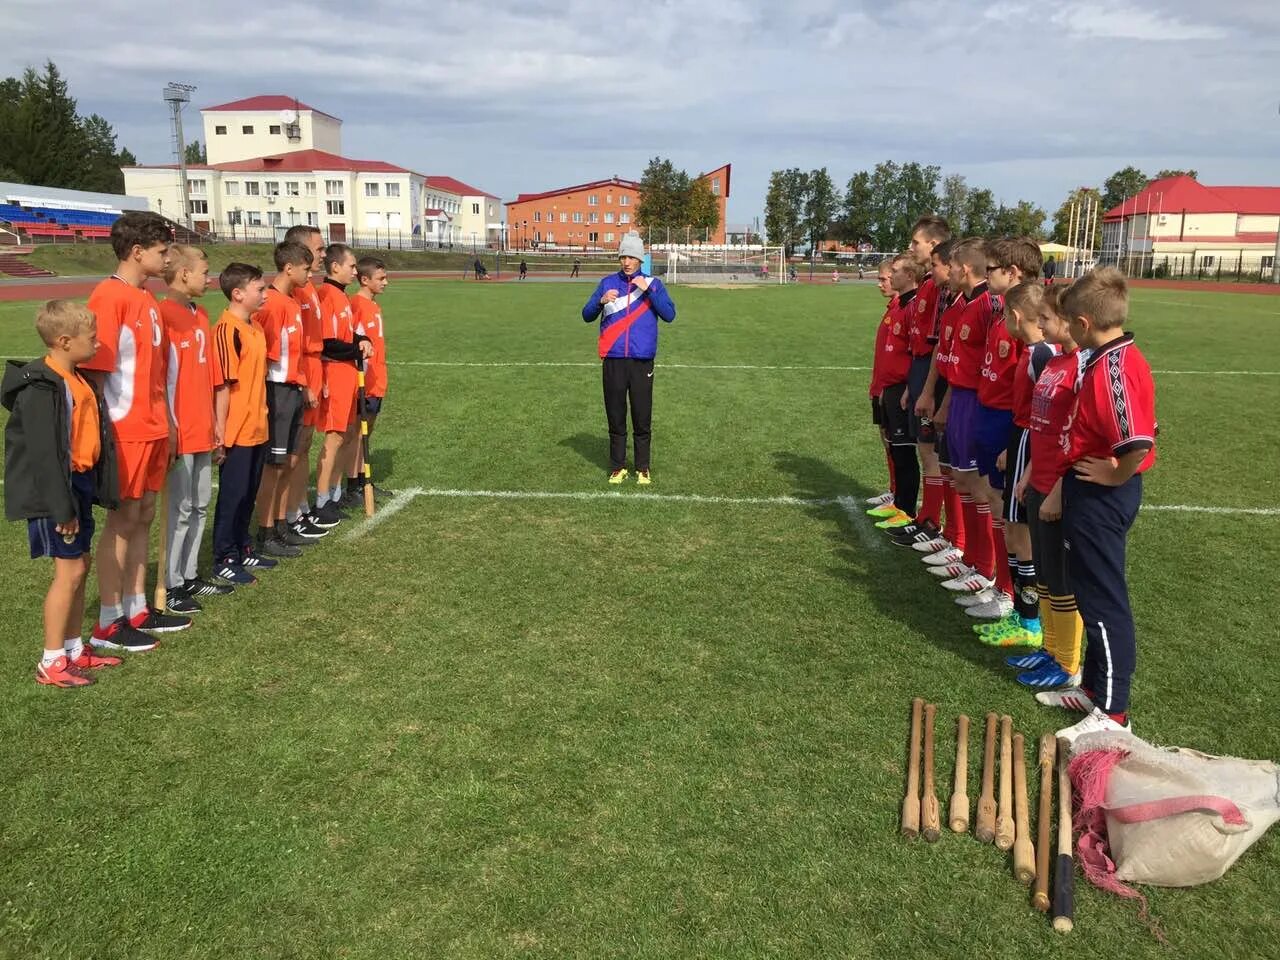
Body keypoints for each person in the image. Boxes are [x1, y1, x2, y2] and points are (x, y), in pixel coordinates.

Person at [1050, 268, 1157, 743]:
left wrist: (1114, 473)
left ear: (1084, 323)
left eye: (1068, 322)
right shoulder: (1104, 358)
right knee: (1088, 589)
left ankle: (1114, 713)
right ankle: (1093, 688)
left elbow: (1136, 439)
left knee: (1103, 598)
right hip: (1085, 487)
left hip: (1103, 494)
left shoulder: (1114, 366)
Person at [82, 211, 189, 651]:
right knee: (122, 522)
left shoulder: (145, 298)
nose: (167, 259)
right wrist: (98, 436)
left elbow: (159, 374)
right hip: (124, 431)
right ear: (137, 251)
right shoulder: (109, 297)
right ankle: (109, 621)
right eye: (162, 251)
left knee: (143, 515)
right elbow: (96, 375)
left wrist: (170, 423)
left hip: (153, 427)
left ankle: (137, 605)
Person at [3, 301, 123, 685]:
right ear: (64, 341)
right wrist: (61, 508)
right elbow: (44, 454)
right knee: (68, 572)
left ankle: (73, 649)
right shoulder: (42, 387)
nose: (98, 343)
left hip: (78, 485)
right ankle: (51, 660)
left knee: (80, 566)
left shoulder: (76, 378)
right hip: (55, 491)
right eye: (92, 338)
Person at [1010, 284, 1087, 692]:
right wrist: (1027, 476)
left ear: (1071, 322)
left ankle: (1068, 663)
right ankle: (1050, 649)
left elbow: (1076, 438)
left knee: (1060, 578)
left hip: (1059, 488)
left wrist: (1057, 485)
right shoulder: (1056, 364)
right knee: (1043, 572)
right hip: (1037, 480)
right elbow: (1043, 428)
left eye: (1047, 319)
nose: (1040, 325)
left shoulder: (1079, 369)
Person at [972, 279, 1056, 647]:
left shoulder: (1041, 355)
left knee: (1021, 536)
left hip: (1027, 441)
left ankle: (1029, 623)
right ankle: (1023, 616)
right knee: (1012, 530)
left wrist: (1028, 459)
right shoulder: (1031, 351)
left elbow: (1046, 415)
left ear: (1016, 316)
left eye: (1004, 314)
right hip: (1018, 439)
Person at [963, 237, 1041, 622]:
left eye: (992, 268)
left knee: (1010, 513)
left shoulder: (1030, 328)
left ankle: (1011, 594)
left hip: (1010, 423)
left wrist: (1016, 436)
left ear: (1013, 273)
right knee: (997, 504)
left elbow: (1029, 391)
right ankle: (999, 584)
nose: (986, 273)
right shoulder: (999, 313)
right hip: (989, 414)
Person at [158, 245, 232, 613]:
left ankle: (188, 576)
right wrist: (170, 427)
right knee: (181, 508)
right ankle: (169, 583)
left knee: (201, 504)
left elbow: (211, 378)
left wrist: (217, 426)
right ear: (184, 273)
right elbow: (160, 381)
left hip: (203, 428)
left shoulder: (200, 313)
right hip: (180, 430)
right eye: (204, 271)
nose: (209, 278)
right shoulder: (163, 315)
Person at [581, 232, 676, 484]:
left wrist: (649, 291)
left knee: (642, 415)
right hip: (613, 359)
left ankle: (642, 467)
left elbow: (669, 315)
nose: (627, 261)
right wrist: (600, 301)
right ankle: (617, 466)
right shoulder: (607, 283)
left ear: (640, 259)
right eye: (623, 256)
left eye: (632, 257)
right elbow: (586, 315)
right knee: (615, 414)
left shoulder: (653, 283)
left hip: (642, 360)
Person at [890, 216, 952, 549]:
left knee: (934, 453)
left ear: (933, 244)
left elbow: (942, 340)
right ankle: (926, 519)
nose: (912, 247)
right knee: (927, 450)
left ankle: (931, 521)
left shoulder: (941, 286)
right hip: (921, 368)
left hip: (932, 370)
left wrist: (926, 387)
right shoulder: (930, 282)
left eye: (916, 242)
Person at [210, 263, 271, 586]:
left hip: (257, 425)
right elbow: (221, 385)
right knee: (232, 495)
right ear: (238, 293)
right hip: (236, 429)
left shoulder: (256, 328)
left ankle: (243, 546)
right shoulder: (226, 330)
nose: (265, 294)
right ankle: (224, 556)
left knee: (249, 492)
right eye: (259, 289)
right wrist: (219, 434)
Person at [252, 241, 313, 559]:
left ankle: (279, 526)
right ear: (289, 267)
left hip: (292, 388)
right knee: (274, 466)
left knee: (288, 461)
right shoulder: (271, 303)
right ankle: (265, 532)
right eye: (305, 268)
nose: (309, 273)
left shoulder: (290, 302)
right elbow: (258, 351)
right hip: (275, 390)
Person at [312, 244, 372, 523]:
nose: (355, 271)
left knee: (346, 435)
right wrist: (355, 349)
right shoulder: (327, 295)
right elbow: (328, 344)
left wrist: (361, 341)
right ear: (335, 266)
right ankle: (322, 499)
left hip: (347, 374)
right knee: (334, 438)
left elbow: (346, 337)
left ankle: (334, 494)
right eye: (351, 265)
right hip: (335, 373)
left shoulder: (341, 296)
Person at [284, 225, 329, 541]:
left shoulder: (309, 287)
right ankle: (289, 513)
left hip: (314, 370)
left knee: (304, 445)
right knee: (292, 450)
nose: (324, 255)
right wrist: (303, 382)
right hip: (300, 375)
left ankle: (300, 508)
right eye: (319, 249)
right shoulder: (293, 291)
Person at [873, 254, 924, 529]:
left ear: (910, 275)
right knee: (896, 448)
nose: (890, 277)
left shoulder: (913, 307)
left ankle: (907, 508)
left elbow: (917, 352)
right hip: (891, 387)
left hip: (903, 388)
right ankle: (900, 503)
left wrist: (908, 388)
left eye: (894, 272)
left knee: (905, 452)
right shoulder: (901, 306)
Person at [348, 256, 390, 497]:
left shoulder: (374, 306)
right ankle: (354, 484)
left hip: (377, 379)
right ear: (364, 280)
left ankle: (364, 482)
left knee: (367, 431)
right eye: (381, 278)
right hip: (364, 381)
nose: (386, 282)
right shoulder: (356, 306)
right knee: (357, 433)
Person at [864, 259, 898, 514]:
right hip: (880, 386)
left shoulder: (902, 310)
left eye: (883, 279)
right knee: (886, 440)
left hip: (891, 388)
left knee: (895, 442)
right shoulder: (892, 308)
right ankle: (893, 490)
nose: (880, 284)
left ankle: (898, 495)